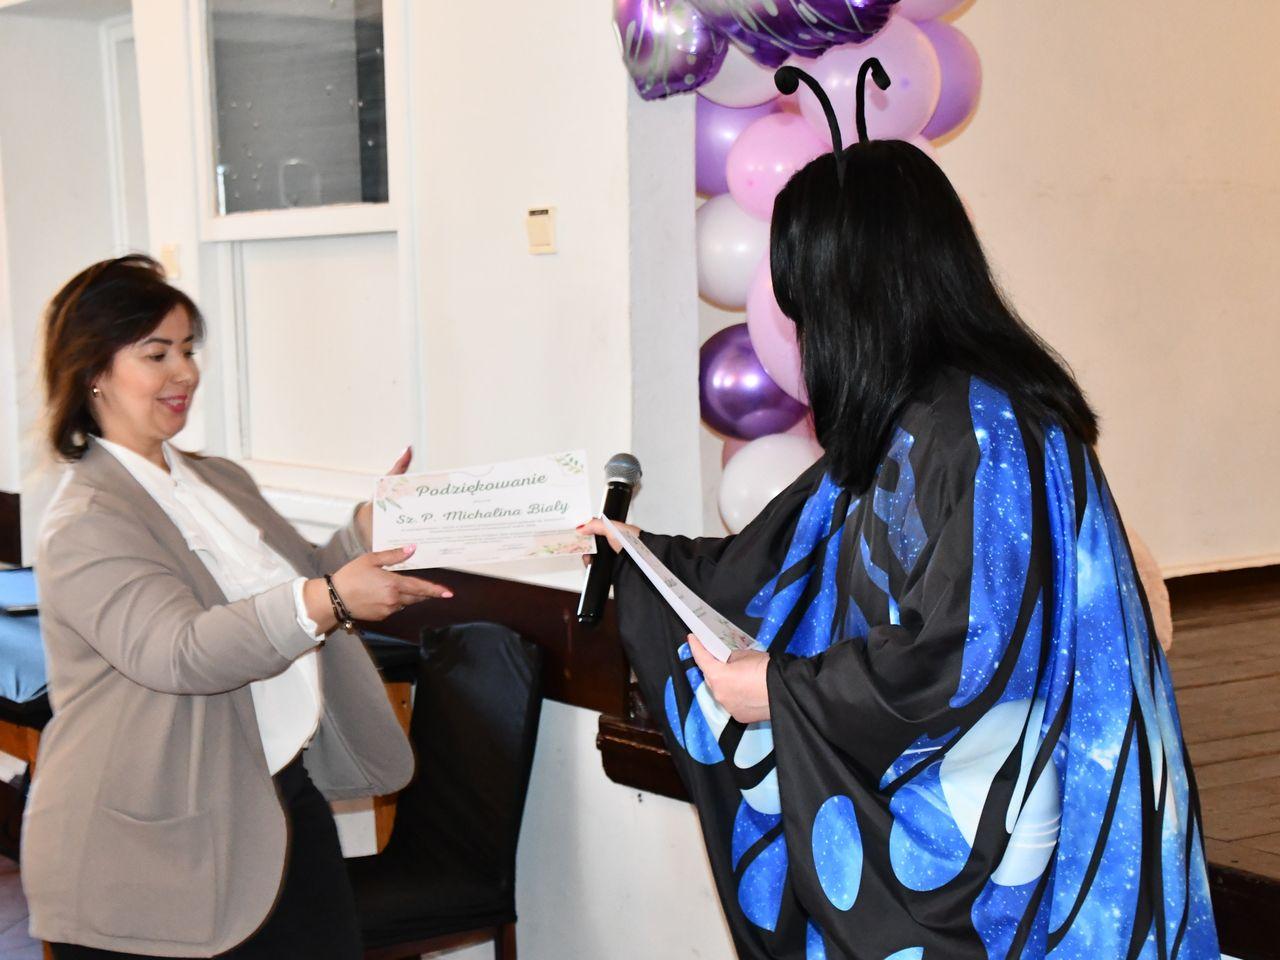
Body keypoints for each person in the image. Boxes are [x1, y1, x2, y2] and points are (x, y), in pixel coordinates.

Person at [582, 64, 1218, 960]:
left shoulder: (990, 433)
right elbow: (781, 558)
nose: (802, 330)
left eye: (807, 304)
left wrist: (780, 690)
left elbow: (962, 655)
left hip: (1013, 854)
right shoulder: (915, 418)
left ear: (855, 295)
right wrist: (642, 557)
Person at [22, 255, 451, 959]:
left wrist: (363, 531)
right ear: (93, 371)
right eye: (156, 353)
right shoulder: (87, 520)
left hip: (276, 792)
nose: (184, 372)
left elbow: (295, 581)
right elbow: (181, 650)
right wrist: (331, 598)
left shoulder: (217, 479)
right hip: (149, 843)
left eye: (188, 349)